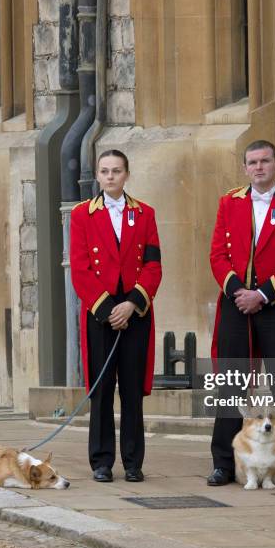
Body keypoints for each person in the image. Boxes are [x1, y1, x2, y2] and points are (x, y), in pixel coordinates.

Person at [207, 140, 275, 489]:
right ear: (245, 167)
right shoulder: (228, 202)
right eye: (252, 162)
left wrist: (262, 295)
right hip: (236, 304)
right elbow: (217, 255)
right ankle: (223, 463)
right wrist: (240, 292)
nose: (258, 167)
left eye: (265, 161)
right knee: (231, 387)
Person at [70, 149, 162, 483]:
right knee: (102, 389)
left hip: (135, 311)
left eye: (117, 171)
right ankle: (102, 461)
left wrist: (132, 303)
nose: (110, 176)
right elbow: (80, 270)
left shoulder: (146, 214)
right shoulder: (82, 215)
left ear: (126, 174)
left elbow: (153, 264)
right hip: (101, 314)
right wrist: (110, 310)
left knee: (132, 390)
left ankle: (134, 462)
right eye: (105, 171)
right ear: (97, 175)